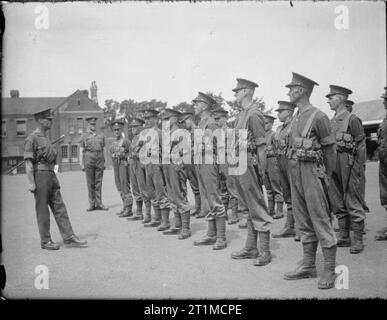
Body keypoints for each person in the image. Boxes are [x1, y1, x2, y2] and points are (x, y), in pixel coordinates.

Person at [283, 72, 337, 289]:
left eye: (291, 88)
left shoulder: (319, 117)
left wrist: (325, 176)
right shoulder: (296, 116)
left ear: (302, 90)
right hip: (295, 171)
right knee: (303, 220)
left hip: (312, 173)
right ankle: (308, 265)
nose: (288, 91)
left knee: (320, 219)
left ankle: (330, 271)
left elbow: (330, 150)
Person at [24, 108, 88, 250]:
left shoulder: (46, 138)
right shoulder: (32, 138)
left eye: (51, 119)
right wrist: (31, 182)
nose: (51, 121)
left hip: (50, 174)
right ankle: (45, 241)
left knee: (60, 207)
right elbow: (28, 163)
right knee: (42, 210)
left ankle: (69, 237)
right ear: (40, 120)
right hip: (40, 175)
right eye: (48, 119)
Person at [230, 78, 273, 266]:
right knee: (247, 206)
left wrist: (261, 172)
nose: (235, 94)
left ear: (247, 91)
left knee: (256, 205)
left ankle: (265, 251)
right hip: (239, 162)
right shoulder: (242, 115)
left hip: (249, 163)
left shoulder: (254, 114)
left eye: (238, 91)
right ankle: (250, 247)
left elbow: (261, 147)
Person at [327, 85, 366, 254]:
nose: (328, 100)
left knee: (353, 199)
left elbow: (361, 146)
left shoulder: (352, 119)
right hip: (333, 164)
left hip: (349, 164)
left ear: (341, 98)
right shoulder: (331, 121)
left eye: (331, 97)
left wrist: (358, 168)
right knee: (336, 199)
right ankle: (344, 236)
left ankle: (358, 240)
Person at [192, 92, 227, 250]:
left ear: (205, 105)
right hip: (200, 162)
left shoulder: (211, 124)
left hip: (209, 163)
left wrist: (220, 169)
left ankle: (221, 237)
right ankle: (211, 234)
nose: (195, 105)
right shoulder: (200, 124)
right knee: (206, 199)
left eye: (197, 103)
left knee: (214, 198)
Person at [161, 108, 192, 239]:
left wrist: (181, 163)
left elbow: (187, 150)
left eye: (167, 119)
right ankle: (178, 225)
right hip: (168, 166)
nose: (165, 122)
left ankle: (186, 228)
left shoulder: (181, 132)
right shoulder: (168, 134)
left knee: (180, 195)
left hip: (177, 166)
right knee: (172, 196)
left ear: (174, 119)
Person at [272, 101, 300, 240]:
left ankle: (301, 228)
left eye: (280, 111)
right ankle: (290, 226)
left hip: (292, 162)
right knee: (287, 195)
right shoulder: (279, 129)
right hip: (281, 161)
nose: (278, 114)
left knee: (298, 195)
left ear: (289, 112)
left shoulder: (296, 125)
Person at [141, 108, 171, 230]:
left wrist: (162, 167)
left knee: (161, 192)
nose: (147, 120)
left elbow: (165, 151)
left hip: (157, 165)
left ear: (155, 119)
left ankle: (165, 221)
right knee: (151, 192)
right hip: (148, 165)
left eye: (149, 118)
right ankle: (157, 218)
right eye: (146, 118)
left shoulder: (159, 133)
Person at [212, 107, 240, 225]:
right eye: (215, 119)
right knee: (222, 189)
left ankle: (234, 214)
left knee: (232, 188)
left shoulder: (231, 132)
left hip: (229, 161)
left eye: (219, 119)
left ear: (225, 118)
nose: (217, 121)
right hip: (220, 162)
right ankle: (224, 214)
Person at [80, 117, 108, 211]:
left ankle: (99, 203)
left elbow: (104, 149)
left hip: (99, 158)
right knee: (90, 182)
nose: (93, 126)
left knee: (98, 183)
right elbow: (81, 150)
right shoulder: (84, 136)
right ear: (88, 125)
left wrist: (105, 160)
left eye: (94, 124)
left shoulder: (101, 135)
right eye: (91, 124)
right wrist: (81, 163)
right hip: (89, 158)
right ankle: (92, 204)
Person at [178, 111, 202, 217]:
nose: (183, 125)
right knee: (195, 187)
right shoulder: (187, 134)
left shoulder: (198, 131)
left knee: (201, 186)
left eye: (184, 122)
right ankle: (198, 207)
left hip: (198, 162)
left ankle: (203, 208)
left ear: (189, 120)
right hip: (189, 163)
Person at [109, 118, 133, 218]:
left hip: (124, 165)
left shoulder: (126, 141)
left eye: (118, 129)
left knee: (124, 185)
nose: (116, 132)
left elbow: (131, 153)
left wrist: (125, 156)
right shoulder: (113, 143)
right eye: (114, 130)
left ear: (121, 130)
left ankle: (129, 209)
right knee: (119, 185)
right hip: (116, 166)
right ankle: (124, 206)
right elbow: (112, 154)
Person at [263, 114, 284, 219]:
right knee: (268, 187)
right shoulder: (262, 135)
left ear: (271, 124)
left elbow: (278, 150)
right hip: (264, 162)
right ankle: (270, 209)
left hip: (273, 161)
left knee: (276, 185)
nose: (264, 125)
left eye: (266, 123)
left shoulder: (274, 135)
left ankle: (279, 210)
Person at [127, 117, 148, 221]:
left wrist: (137, 154)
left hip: (141, 164)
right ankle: (139, 212)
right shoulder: (134, 138)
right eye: (132, 127)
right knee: (135, 188)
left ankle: (147, 214)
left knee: (143, 188)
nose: (133, 129)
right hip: (133, 164)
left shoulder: (143, 137)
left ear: (141, 127)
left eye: (135, 127)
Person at [375, 87, 387, 241]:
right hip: (384, 163)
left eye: (386, 99)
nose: (383, 101)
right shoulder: (385, 118)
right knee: (385, 196)